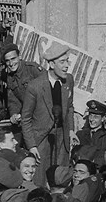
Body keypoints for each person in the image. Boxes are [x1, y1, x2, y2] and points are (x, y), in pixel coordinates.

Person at [21, 42, 78, 186]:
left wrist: (71, 130)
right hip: (41, 139)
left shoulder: (69, 80)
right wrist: (32, 145)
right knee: (40, 180)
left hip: (62, 137)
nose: (66, 66)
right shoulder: (35, 86)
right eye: (62, 62)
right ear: (52, 64)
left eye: (67, 61)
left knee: (60, 178)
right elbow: (26, 118)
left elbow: (70, 107)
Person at [1, 43, 44, 125]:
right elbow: (13, 101)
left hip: (43, 113)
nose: (11, 63)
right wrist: (14, 114)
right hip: (29, 117)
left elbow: (49, 88)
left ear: (19, 56)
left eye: (13, 58)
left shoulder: (32, 69)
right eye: (7, 60)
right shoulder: (10, 77)